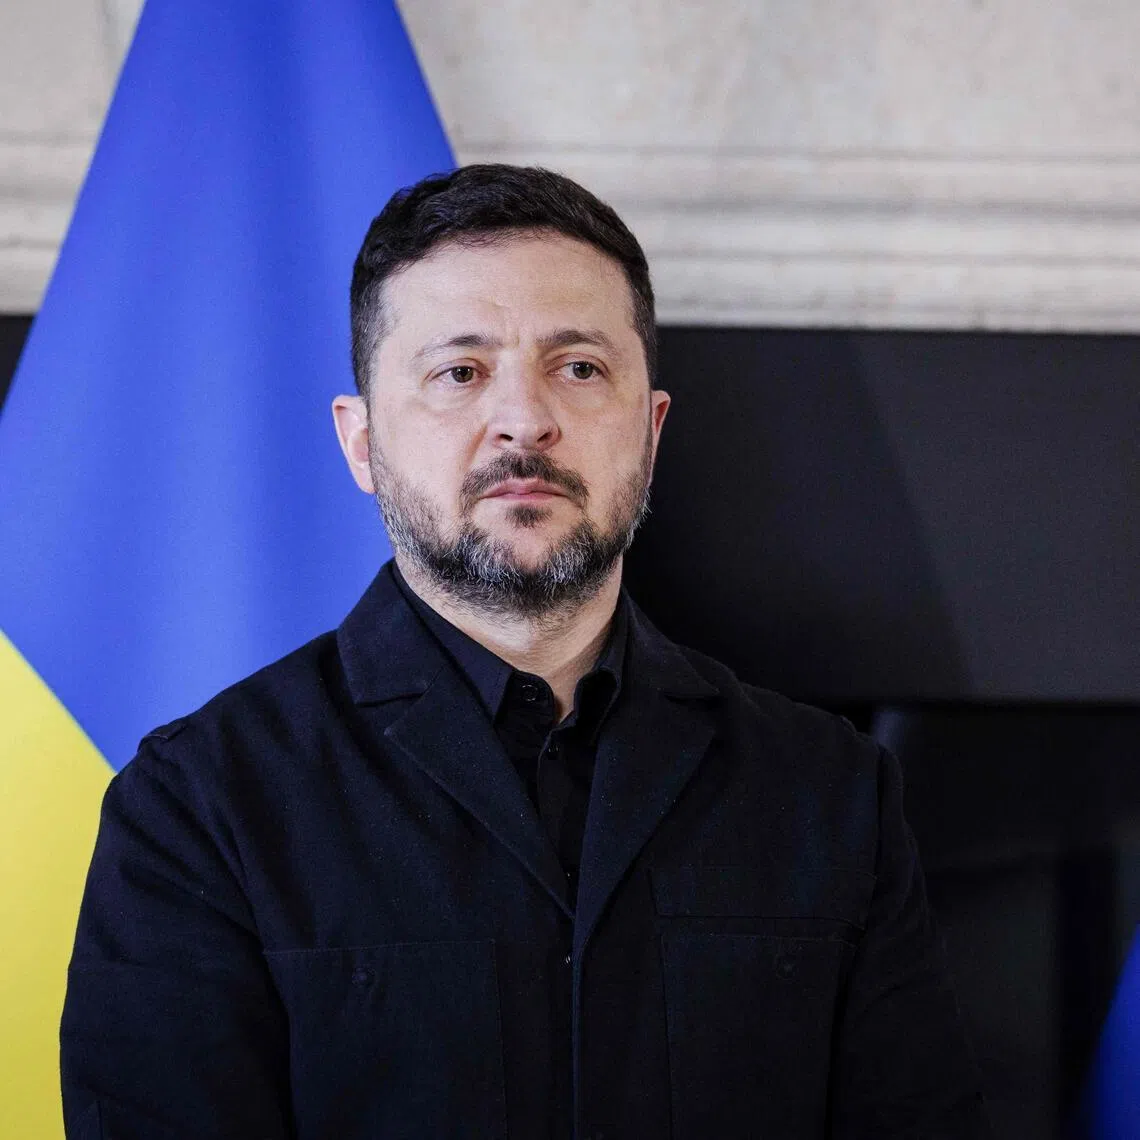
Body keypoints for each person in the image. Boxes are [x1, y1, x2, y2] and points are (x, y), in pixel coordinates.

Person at [61, 164, 989, 1139]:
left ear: (651, 428)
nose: (524, 418)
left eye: (578, 366)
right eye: (460, 371)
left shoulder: (830, 790)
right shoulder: (199, 805)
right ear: (362, 442)